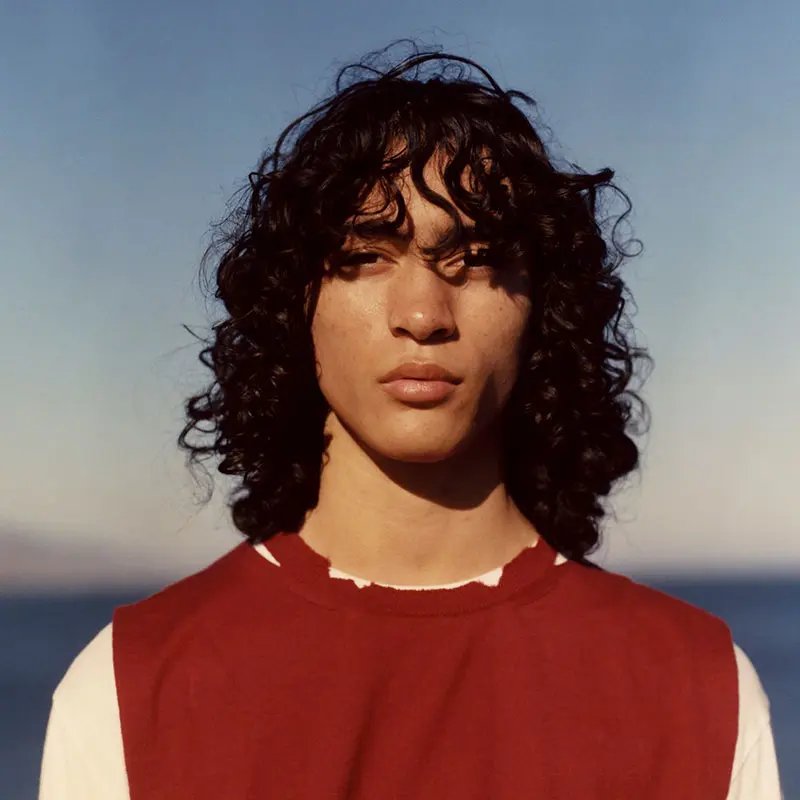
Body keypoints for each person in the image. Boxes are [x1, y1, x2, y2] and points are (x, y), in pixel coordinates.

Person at [38, 40, 783, 798]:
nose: (423, 314)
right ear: (297, 304)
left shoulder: (697, 688)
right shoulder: (130, 685)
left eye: (477, 256)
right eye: (364, 255)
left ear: (541, 308)